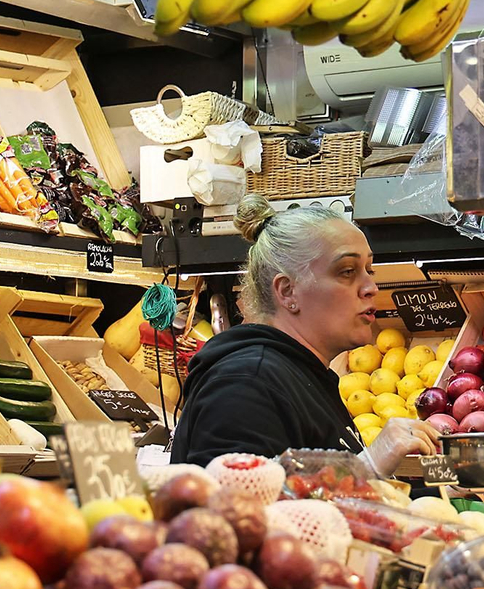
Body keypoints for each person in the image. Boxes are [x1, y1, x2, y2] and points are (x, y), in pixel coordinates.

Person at [170, 194, 440, 473]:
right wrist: (365, 470)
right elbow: (231, 508)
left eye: (368, 270)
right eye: (347, 271)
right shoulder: (245, 384)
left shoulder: (304, 375)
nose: (371, 287)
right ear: (288, 291)